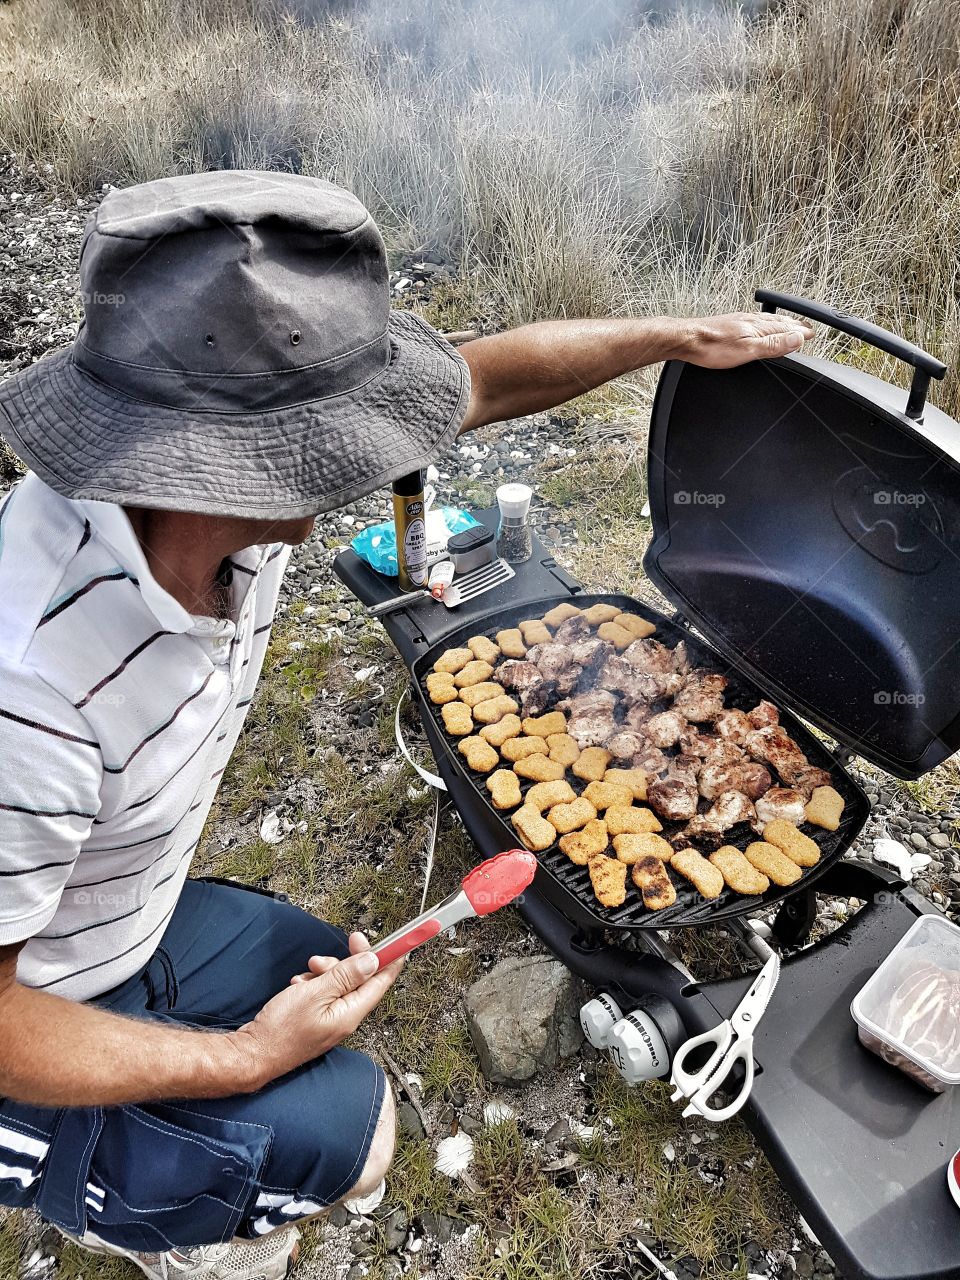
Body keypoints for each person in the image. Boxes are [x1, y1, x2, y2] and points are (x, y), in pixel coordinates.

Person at [0, 170, 812, 1280]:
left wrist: (675, 333)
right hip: (26, 1027)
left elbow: (494, 373)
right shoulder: (30, 683)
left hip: (112, 923)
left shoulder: (203, 487)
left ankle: (189, 1153)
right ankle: (158, 1226)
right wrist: (240, 1059)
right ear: (220, 460)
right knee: (362, 1137)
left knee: (322, 963)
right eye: (333, 439)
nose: (369, 457)